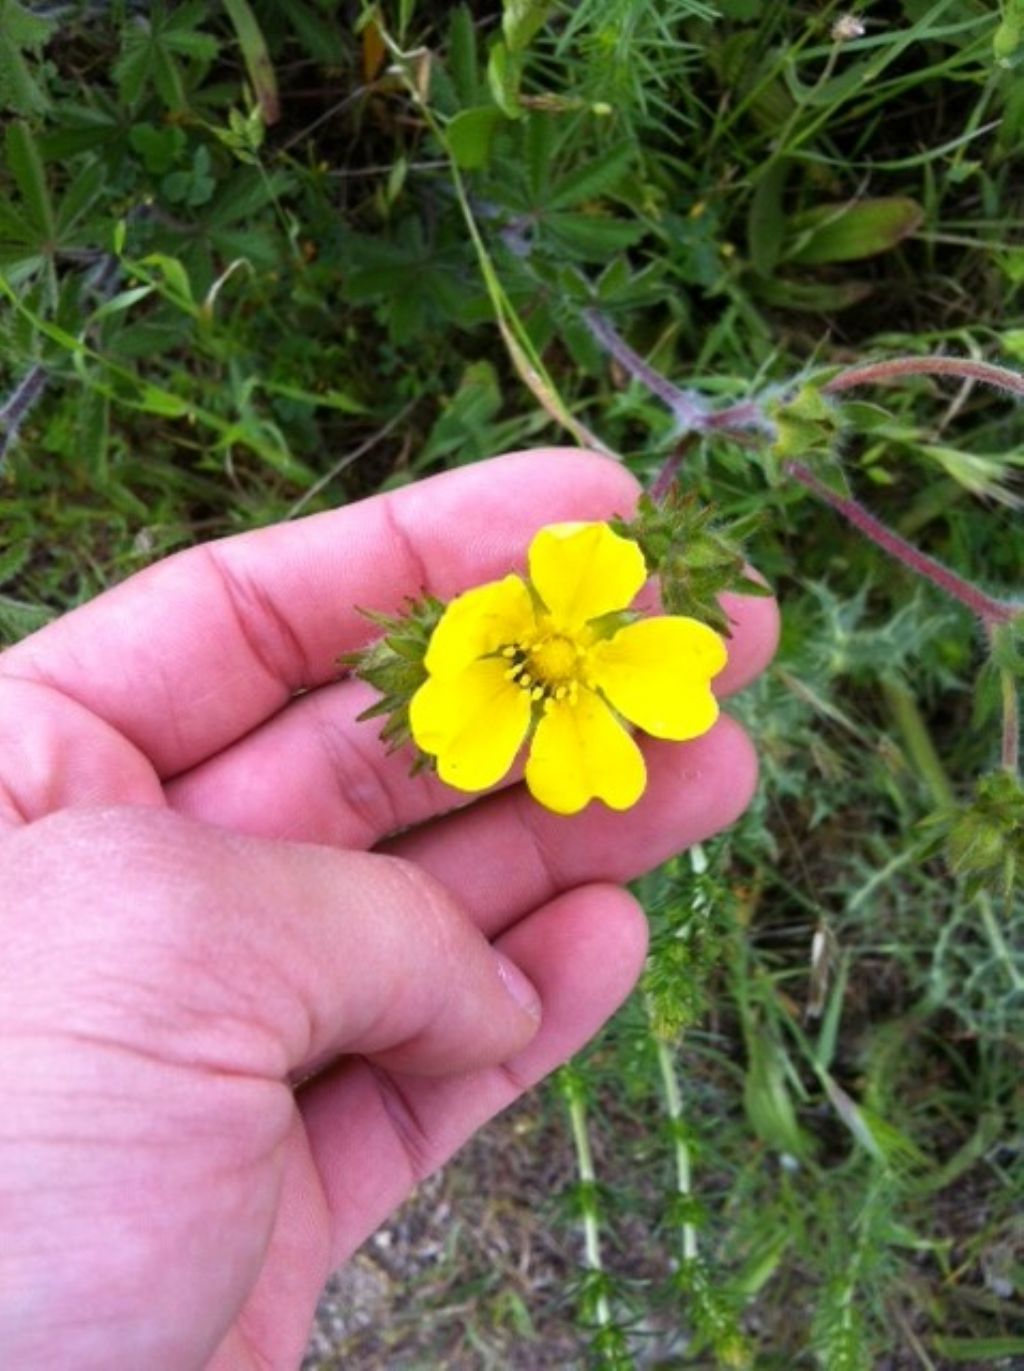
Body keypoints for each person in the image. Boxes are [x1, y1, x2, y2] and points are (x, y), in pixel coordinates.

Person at [0, 449, 777, 1369]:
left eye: (552, 663)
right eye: (542, 659)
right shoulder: (487, 635)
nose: (554, 660)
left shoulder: (587, 593)